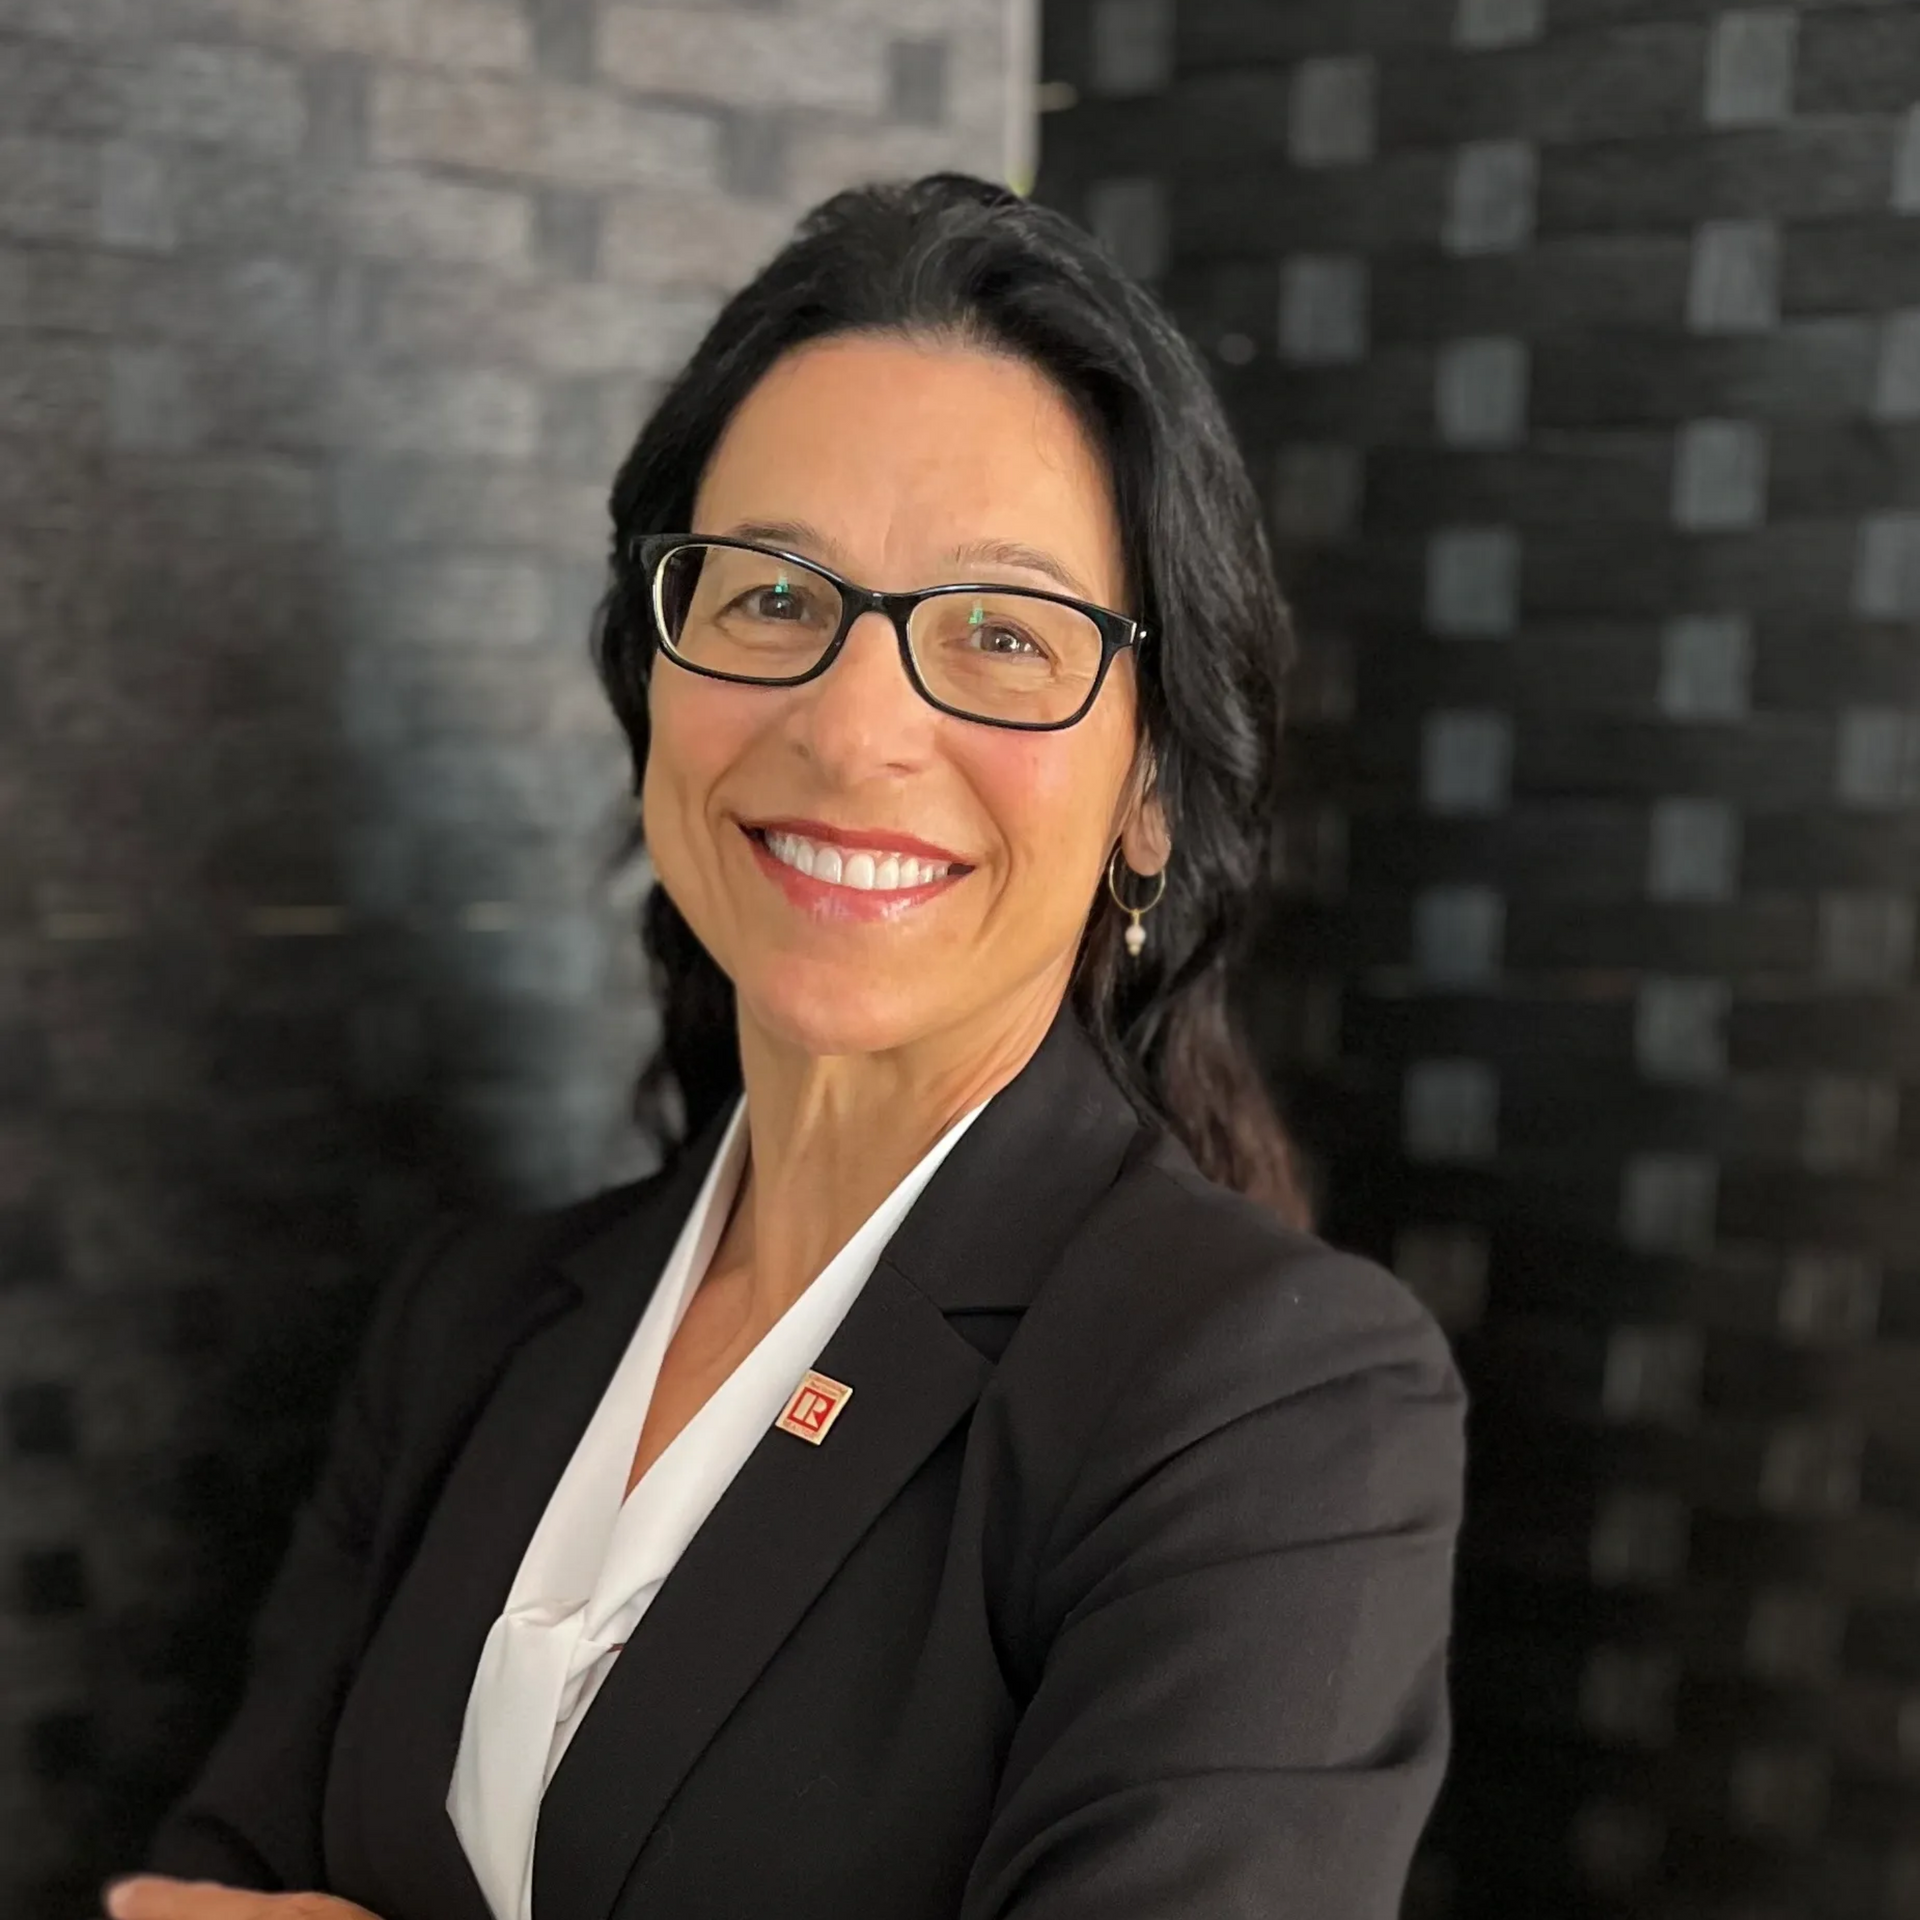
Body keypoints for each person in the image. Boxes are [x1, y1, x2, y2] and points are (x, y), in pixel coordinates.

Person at [106, 174, 1465, 1920]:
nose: (853, 727)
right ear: (653, 679)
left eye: (999, 634)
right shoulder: (469, 1330)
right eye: (767, 596)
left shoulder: (1272, 1408)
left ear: (1148, 792)